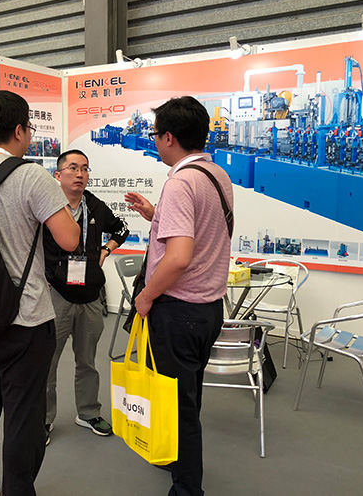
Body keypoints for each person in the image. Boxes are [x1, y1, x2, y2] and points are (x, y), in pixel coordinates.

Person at [0, 90, 80, 496]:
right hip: (25, 319)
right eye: (29, 128)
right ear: (18, 130)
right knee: (23, 417)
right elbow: (69, 239)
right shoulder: (31, 176)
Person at [124, 96, 233, 496]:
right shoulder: (216, 175)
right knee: (186, 394)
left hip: (177, 311)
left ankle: (187, 488)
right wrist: (157, 215)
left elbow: (179, 258)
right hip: (207, 310)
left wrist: (146, 297)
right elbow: (203, 232)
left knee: (179, 405)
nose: (154, 141)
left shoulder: (180, 182)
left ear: (168, 137)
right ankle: (173, 457)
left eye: (155, 135)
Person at [42, 149, 129, 444]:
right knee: (47, 363)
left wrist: (106, 249)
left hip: (90, 296)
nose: (80, 174)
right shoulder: (47, 205)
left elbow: (121, 228)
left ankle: (89, 412)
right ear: (58, 175)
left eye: (85, 168)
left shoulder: (95, 206)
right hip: (56, 295)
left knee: (88, 361)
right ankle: (43, 419)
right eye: (73, 168)